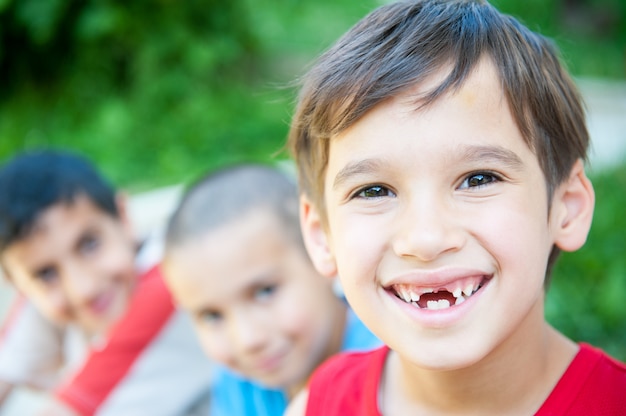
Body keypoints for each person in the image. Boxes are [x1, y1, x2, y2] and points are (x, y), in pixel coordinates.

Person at [284, 0, 626, 414]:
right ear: (322, 234)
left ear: (566, 207)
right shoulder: (319, 405)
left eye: (478, 180)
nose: (426, 239)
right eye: (374, 191)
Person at [0, 150, 213, 415]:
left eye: (89, 244)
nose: (83, 289)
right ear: (16, 282)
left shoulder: (172, 280)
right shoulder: (44, 296)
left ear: (123, 216)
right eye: (46, 274)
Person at [162, 163, 381, 416]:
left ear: (321, 251)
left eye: (264, 292)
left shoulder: (390, 363)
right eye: (212, 316)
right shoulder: (239, 383)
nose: (247, 340)